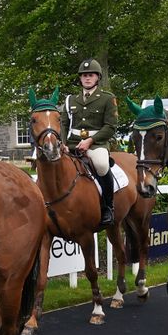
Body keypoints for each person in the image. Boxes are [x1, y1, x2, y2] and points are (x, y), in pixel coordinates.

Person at [60, 58, 119, 226]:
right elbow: (63, 124)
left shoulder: (107, 98)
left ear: (97, 77)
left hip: (96, 143)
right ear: (80, 78)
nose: (87, 78)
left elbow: (110, 126)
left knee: (101, 164)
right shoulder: (70, 100)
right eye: (84, 75)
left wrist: (90, 141)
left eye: (91, 75)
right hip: (72, 143)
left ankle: (108, 207)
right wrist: (63, 143)